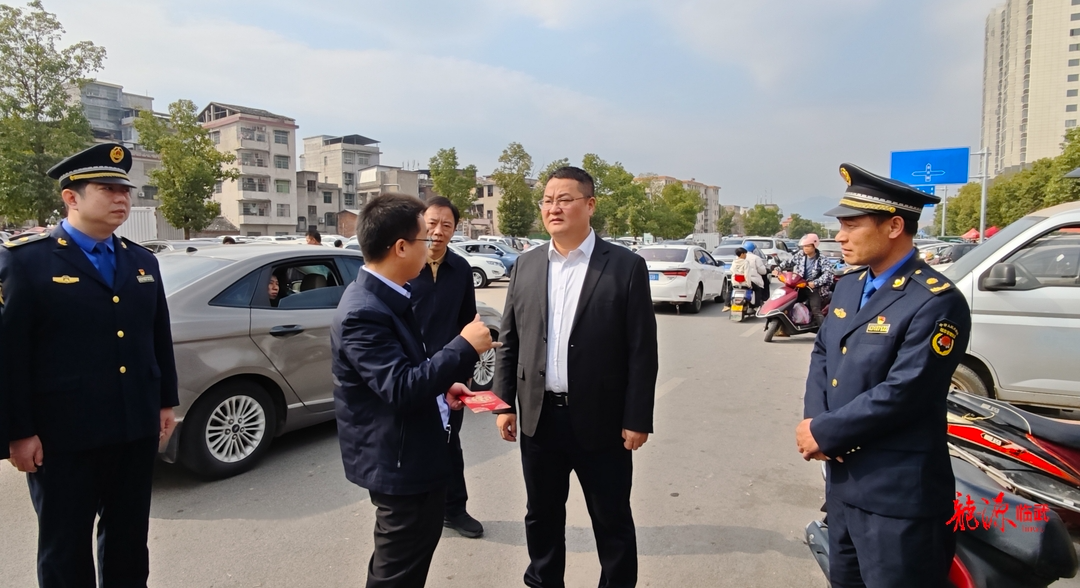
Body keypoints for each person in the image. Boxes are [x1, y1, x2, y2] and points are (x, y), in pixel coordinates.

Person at [1, 143, 179, 587]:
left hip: (132, 427)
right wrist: (18, 432)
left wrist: (165, 402)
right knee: (65, 547)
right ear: (71, 197)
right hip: (63, 437)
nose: (122, 198)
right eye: (107, 189)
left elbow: (156, 337)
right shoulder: (26, 260)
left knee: (129, 540)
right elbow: (9, 355)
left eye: (125, 190)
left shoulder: (141, 260)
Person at [796, 163, 971, 588]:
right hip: (843, 488)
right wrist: (816, 422)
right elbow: (824, 353)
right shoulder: (850, 286)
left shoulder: (935, 301)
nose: (840, 236)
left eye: (852, 225)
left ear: (894, 226)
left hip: (898, 500)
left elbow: (906, 391)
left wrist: (828, 432)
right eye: (841, 225)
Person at [493, 166, 659, 588]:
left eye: (564, 199)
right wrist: (503, 403)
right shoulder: (527, 264)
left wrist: (637, 417)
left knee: (611, 518)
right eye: (548, 200)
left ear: (590, 205)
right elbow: (510, 340)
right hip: (539, 419)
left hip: (602, 421)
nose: (554, 208)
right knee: (541, 515)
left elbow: (642, 351)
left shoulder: (625, 266)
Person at [331, 192, 498, 588]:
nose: (433, 242)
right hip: (400, 463)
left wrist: (444, 386)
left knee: (408, 563)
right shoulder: (363, 311)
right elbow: (401, 388)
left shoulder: (389, 295)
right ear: (401, 247)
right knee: (397, 573)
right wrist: (464, 346)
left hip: (416, 452)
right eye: (425, 236)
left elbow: (408, 368)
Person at [410, 196, 484, 538]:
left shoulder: (460, 270)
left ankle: (454, 509)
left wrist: (465, 368)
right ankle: (415, 511)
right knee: (411, 444)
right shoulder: (407, 266)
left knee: (449, 443)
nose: (438, 231)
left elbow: (469, 321)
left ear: (455, 230)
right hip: (412, 372)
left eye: (446, 225)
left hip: (449, 373)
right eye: (432, 223)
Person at [776, 233, 834, 327]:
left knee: (816, 310)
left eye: (808, 246)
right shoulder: (800, 255)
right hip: (799, 285)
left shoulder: (822, 259)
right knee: (786, 303)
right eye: (804, 246)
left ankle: (824, 331)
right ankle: (783, 327)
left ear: (814, 246)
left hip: (813, 289)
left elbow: (828, 274)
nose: (805, 248)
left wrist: (815, 283)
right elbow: (788, 262)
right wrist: (778, 269)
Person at [726, 247, 764, 311]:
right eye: (745, 254)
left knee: (730, 290)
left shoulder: (734, 262)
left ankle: (726, 305)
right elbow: (747, 275)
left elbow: (732, 271)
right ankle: (756, 306)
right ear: (742, 254)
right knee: (757, 289)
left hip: (735, 282)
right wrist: (749, 284)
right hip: (744, 282)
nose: (746, 255)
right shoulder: (746, 262)